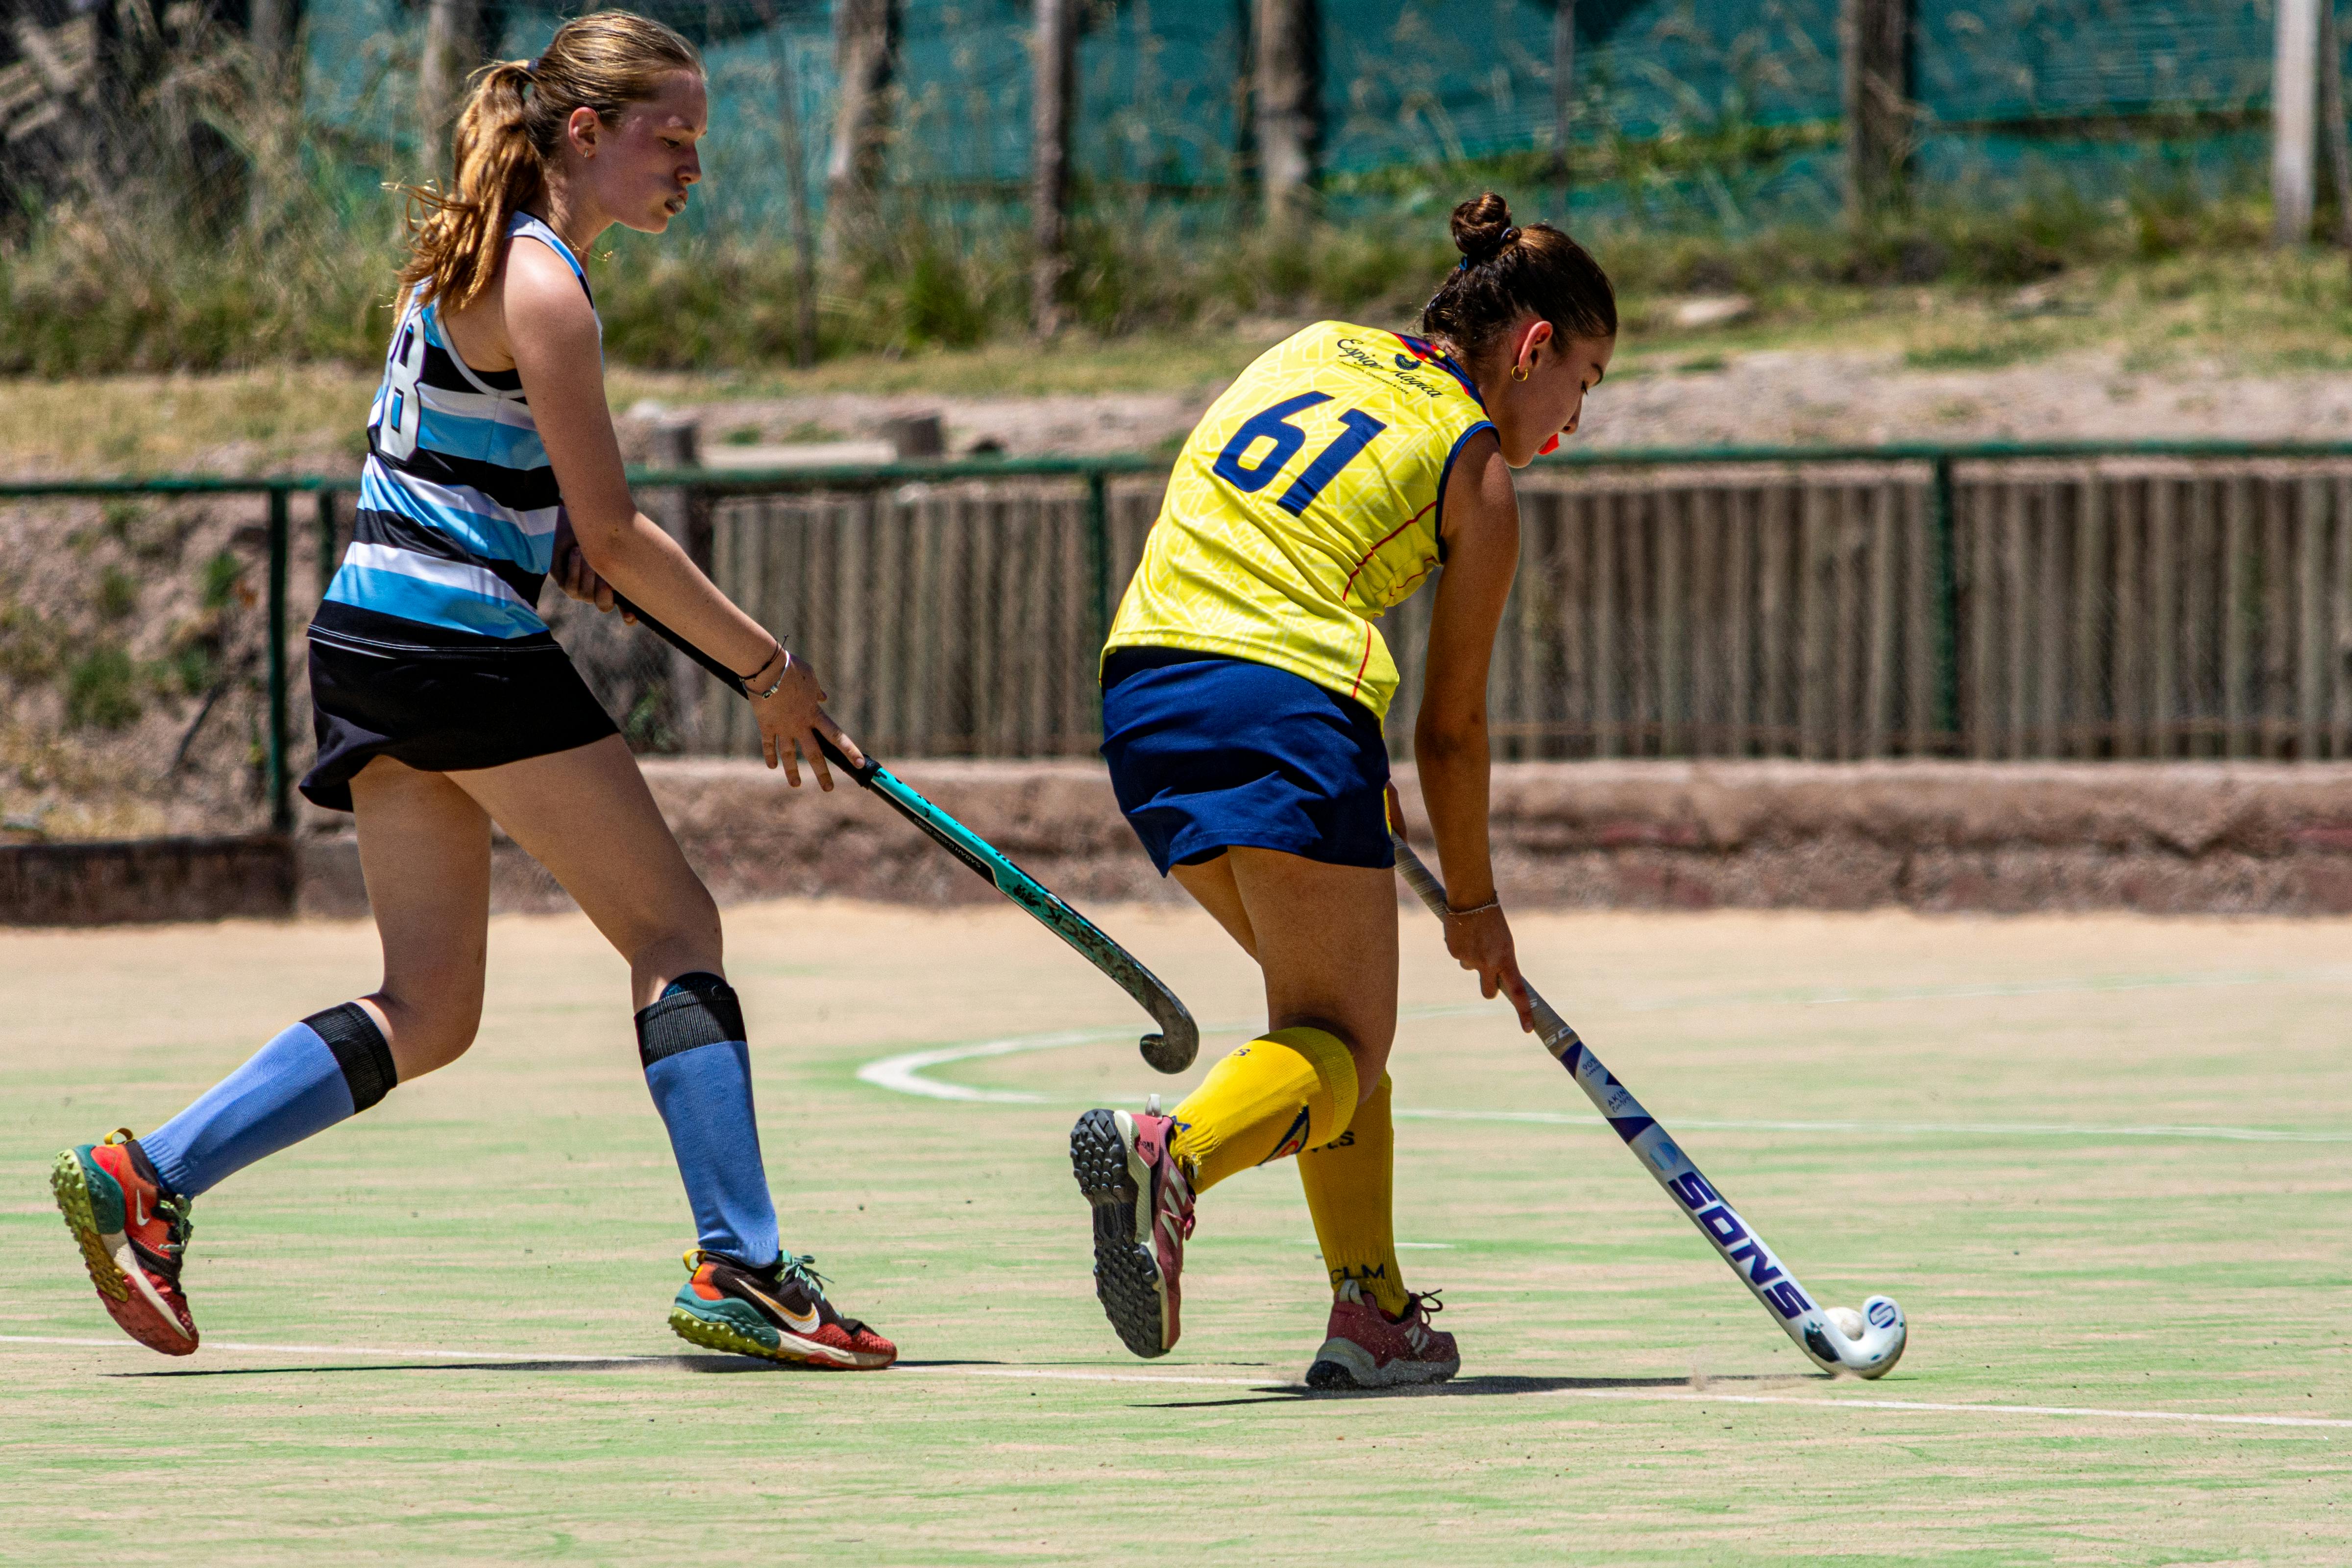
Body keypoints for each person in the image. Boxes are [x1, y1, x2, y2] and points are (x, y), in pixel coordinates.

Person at [49, 12, 894, 1370]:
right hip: (453, 644)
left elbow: (486, 471)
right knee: (675, 927)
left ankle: (147, 1178)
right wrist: (770, 672)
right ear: (585, 133)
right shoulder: (549, 282)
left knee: (429, 1008)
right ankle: (744, 1267)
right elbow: (620, 535)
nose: (691, 166)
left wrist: (546, 532)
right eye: (669, 137)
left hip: (370, 636)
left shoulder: (467, 258)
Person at [1069, 193, 1615, 1387]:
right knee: (1349, 1045)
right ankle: (1175, 1152)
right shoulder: (1475, 470)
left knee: (1327, 1034)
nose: (1574, 420)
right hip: (1285, 700)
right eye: (1584, 381)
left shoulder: (1308, 349)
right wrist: (1475, 904)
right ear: (1531, 350)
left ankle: (1371, 1312)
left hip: (1145, 692)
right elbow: (1455, 732)